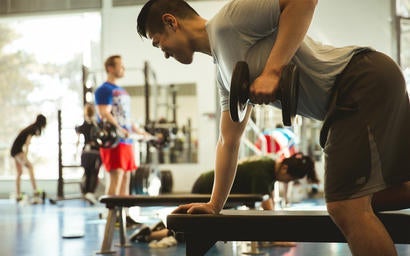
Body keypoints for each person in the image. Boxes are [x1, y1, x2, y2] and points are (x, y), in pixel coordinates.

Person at [136, 0, 410, 255]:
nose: (164, 53)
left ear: (171, 22)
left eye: (158, 43)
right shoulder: (223, 72)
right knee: (372, 199)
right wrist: (214, 205)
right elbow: (228, 141)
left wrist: (272, 72)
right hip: (358, 91)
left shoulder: (227, 22)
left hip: (360, 80)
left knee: (345, 205)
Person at [131, 153, 318, 244]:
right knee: (198, 233)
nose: (288, 182)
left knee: (205, 232)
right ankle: (150, 235)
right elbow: (266, 209)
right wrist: (277, 237)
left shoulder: (269, 167)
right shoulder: (263, 171)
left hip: (210, 187)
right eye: (290, 179)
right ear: (285, 169)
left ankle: (156, 230)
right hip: (205, 188)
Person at [95, 55, 152, 226]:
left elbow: (126, 117)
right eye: (121, 66)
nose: (124, 69)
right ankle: (112, 218)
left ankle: (125, 216)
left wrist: (139, 130)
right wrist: (119, 129)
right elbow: (104, 113)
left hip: (127, 140)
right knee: (116, 176)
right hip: (114, 140)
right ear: (110, 68)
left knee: (126, 176)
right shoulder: (104, 90)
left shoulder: (123, 91)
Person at [10, 114, 47, 204]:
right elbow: (27, 142)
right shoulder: (34, 129)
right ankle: (35, 191)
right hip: (17, 151)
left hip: (14, 150)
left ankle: (18, 195)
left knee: (19, 173)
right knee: (30, 167)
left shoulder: (31, 127)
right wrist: (25, 155)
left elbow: (21, 134)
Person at [75, 103, 101, 205]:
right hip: (93, 152)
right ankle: (89, 192)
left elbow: (77, 141)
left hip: (86, 152)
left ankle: (87, 192)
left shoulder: (87, 125)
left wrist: (76, 152)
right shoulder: (96, 125)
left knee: (88, 173)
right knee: (93, 173)